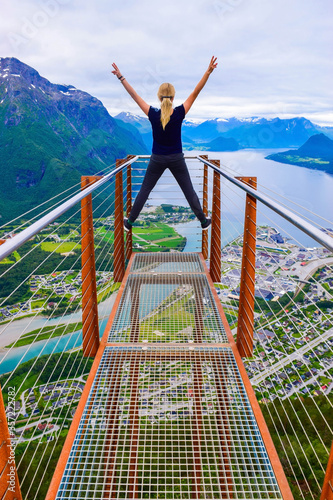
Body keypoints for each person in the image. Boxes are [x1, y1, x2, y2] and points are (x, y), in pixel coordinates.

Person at [111, 56, 218, 231]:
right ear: (173, 96)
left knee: (144, 191)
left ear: (159, 97)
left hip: (157, 159)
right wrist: (208, 72)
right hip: (177, 158)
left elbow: (134, 96)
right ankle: (203, 222)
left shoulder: (152, 113)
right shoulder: (180, 112)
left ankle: (129, 223)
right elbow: (196, 92)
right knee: (188, 191)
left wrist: (121, 77)